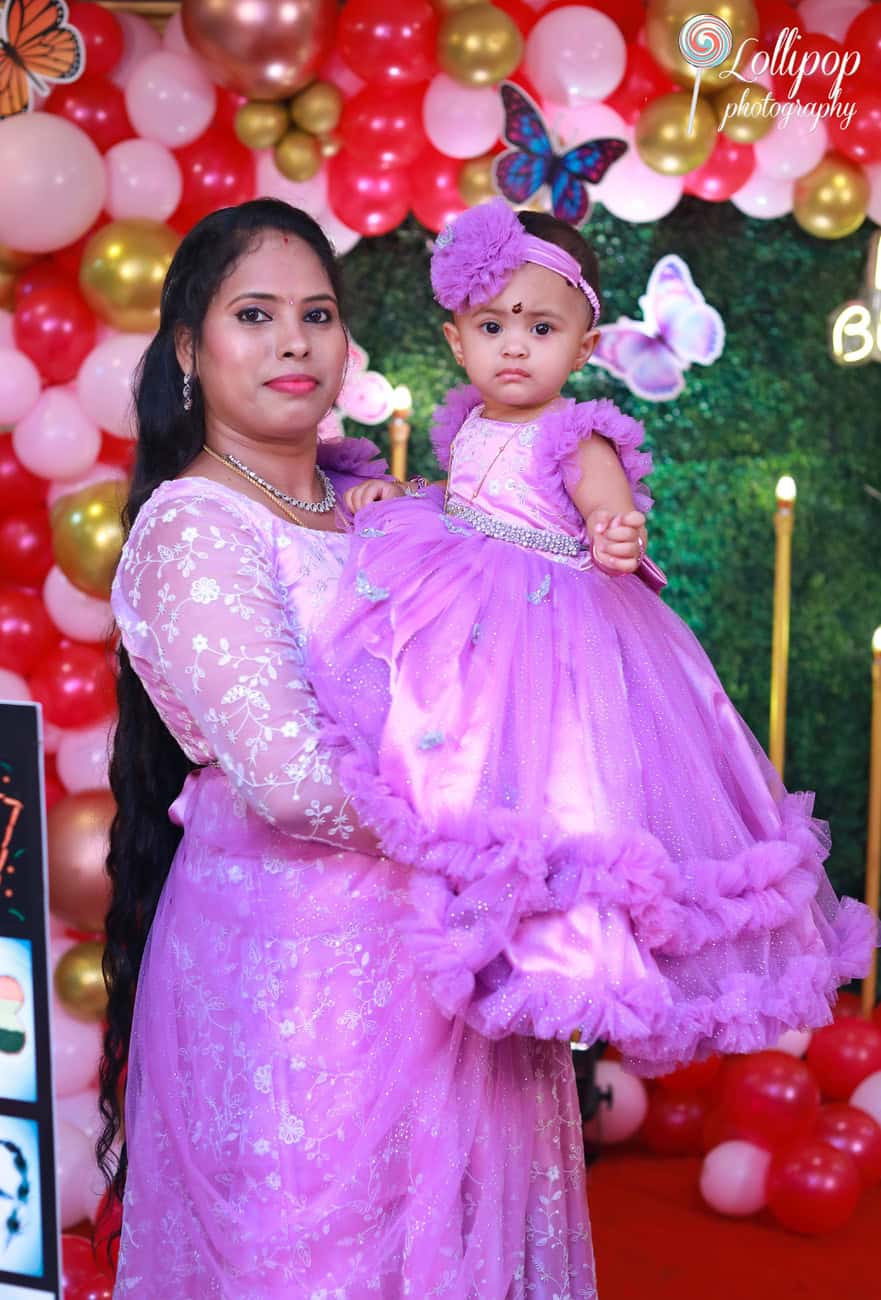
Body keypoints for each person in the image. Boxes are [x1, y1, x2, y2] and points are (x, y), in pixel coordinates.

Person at [99, 199, 598, 1299]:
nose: (293, 341)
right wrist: (504, 826)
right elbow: (289, 781)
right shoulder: (195, 527)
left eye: (316, 313)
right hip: (292, 1002)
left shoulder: (372, 500)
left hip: (445, 973)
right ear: (189, 348)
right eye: (255, 313)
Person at [305, 198, 878, 1075]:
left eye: (541, 326)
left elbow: (609, 511)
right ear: (457, 340)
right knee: (453, 765)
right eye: (493, 325)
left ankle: (561, 962)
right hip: (466, 628)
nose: (515, 345)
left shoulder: (578, 434)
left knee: (562, 793)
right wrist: (405, 497)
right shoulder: (467, 425)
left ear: (583, 343)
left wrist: (615, 531)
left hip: (555, 637)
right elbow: (464, 498)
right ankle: (460, 919)